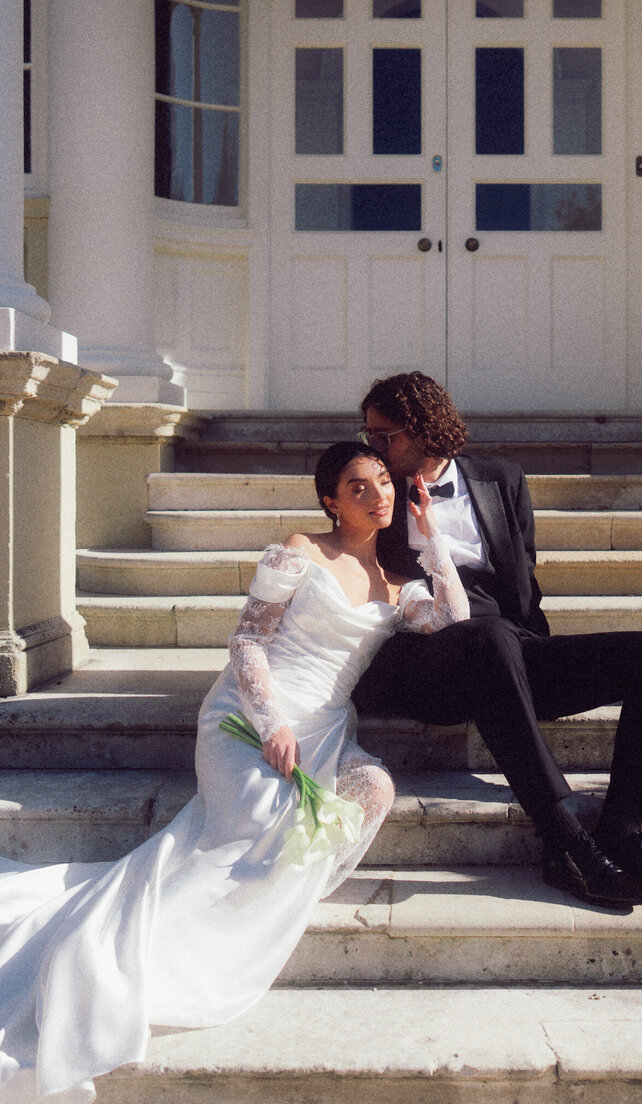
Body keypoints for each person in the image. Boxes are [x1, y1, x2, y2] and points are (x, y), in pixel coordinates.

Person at [0, 441, 468, 1103]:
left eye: (385, 482)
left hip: (327, 731)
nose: (378, 495)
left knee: (374, 788)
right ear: (330, 500)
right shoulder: (300, 551)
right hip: (246, 719)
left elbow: (457, 620)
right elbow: (247, 640)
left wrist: (430, 538)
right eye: (359, 486)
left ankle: (285, 892)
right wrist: (272, 723)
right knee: (256, 824)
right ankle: (105, 956)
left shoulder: (400, 587)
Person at [352, 371, 642, 909]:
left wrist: (531, 652)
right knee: (489, 637)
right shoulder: (373, 494)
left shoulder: (502, 479)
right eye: (370, 436)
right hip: (429, 660)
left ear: (425, 429)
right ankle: (566, 841)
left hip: (509, 646)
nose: (375, 448)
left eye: (387, 435)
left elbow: (524, 579)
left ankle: (623, 828)